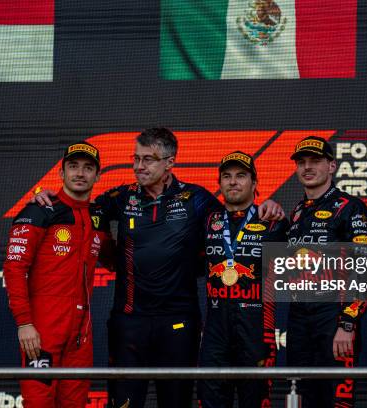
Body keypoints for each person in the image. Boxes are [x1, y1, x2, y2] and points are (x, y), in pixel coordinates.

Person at [33, 128, 284, 408]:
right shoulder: (122, 196)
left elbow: (233, 218)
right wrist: (46, 198)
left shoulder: (196, 198)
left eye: (149, 159)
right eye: (136, 158)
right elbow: (82, 208)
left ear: (169, 162)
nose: (139, 166)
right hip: (129, 322)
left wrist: (269, 205)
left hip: (179, 322)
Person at [3, 142, 112, 408]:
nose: (80, 173)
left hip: (80, 334)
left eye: (88, 168)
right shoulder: (39, 210)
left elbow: (117, 260)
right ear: (61, 173)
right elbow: (14, 268)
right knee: (39, 403)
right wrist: (24, 323)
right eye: (73, 166)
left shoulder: (98, 216)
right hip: (42, 331)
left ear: (98, 176)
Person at [285, 136, 367, 408]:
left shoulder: (351, 208)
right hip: (300, 315)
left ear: (332, 166)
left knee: (336, 399)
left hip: (333, 315)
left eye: (315, 161)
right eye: (301, 162)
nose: (307, 167)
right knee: (303, 395)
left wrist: (347, 324)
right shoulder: (298, 211)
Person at [198, 151, 288, 408]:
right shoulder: (208, 221)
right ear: (220, 183)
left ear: (255, 184)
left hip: (257, 330)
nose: (233, 182)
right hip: (215, 331)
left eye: (241, 176)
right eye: (226, 176)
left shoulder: (274, 221)